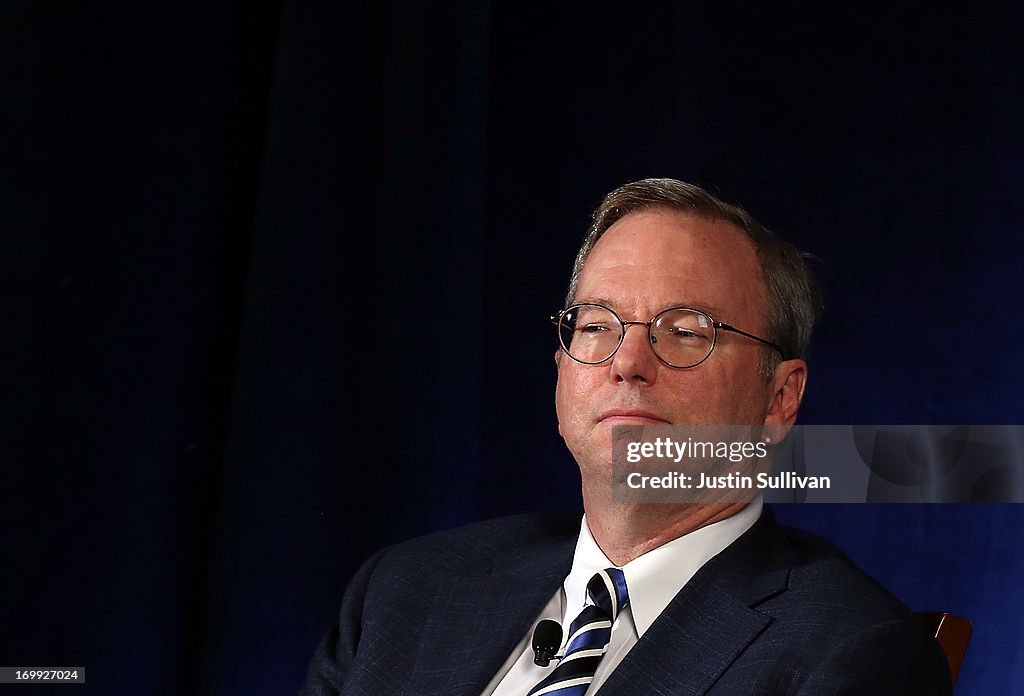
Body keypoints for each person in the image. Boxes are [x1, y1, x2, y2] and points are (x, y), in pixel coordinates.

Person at [300, 178, 952, 695]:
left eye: (687, 331)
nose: (627, 362)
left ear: (779, 398)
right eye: (595, 324)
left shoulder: (852, 655)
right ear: (560, 362)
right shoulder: (404, 590)